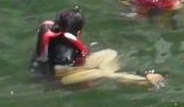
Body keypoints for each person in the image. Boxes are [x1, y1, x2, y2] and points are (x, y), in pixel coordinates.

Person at [31, 7, 163, 87]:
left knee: (109, 53)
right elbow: (61, 71)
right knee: (105, 73)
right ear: (78, 33)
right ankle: (144, 82)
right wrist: (86, 71)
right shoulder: (66, 53)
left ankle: (117, 74)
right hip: (58, 78)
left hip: (64, 68)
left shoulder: (48, 30)